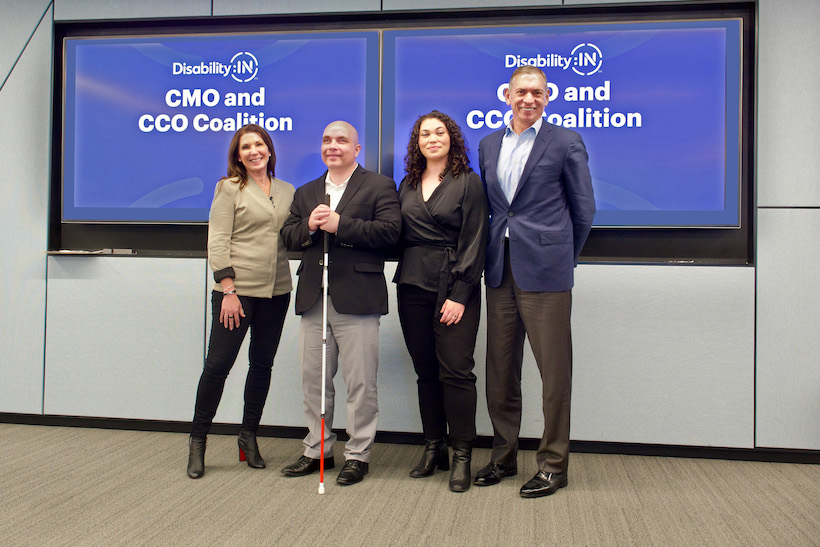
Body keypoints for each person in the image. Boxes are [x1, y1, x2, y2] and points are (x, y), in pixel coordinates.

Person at [475, 66, 596, 497]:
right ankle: (503, 456)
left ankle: (553, 465)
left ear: (548, 97)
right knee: (501, 371)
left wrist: (561, 256)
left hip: (546, 272)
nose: (529, 99)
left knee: (553, 374)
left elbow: (584, 211)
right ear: (507, 94)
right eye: (522, 91)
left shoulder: (565, 142)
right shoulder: (489, 144)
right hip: (500, 268)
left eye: (538, 93)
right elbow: (496, 209)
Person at [280, 121, 401, 486]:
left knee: (360, 382)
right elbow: (288, 236)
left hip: (358, 298)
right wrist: (310, 228)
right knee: (314, 381)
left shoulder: (379, 185)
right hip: (315, 297)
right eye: (327, 140)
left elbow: (391, 234)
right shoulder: (306, 191)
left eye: (342, 140)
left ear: (357, 148)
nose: (333, 146)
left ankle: (357, 455)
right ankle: (317, 450)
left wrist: (340, 224)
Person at [187, 124, 294, 479]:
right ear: (238, 155)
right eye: (246, 146)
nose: (253, 151)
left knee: (262, 366)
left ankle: (248, 437)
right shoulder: (229, 188)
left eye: (259, 144)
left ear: (269, 149)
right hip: (236, 292)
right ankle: (198, 440)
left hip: (277, 292)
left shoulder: (287, 190)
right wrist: (228, 290)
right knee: (217, 366)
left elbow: (293, 236)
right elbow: (217, 241)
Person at [393, 111, 488, 492]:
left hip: (454, 286)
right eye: (424, 134)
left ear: (453, 138)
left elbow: (475, 240)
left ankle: (462, 454)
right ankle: (434, 447)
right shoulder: (407, 183)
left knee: (456, 372)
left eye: (439, 132)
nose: (432, 138)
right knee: (426, 372)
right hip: (412, 284)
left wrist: (460, 295)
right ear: (417, 142)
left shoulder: (469, 182)